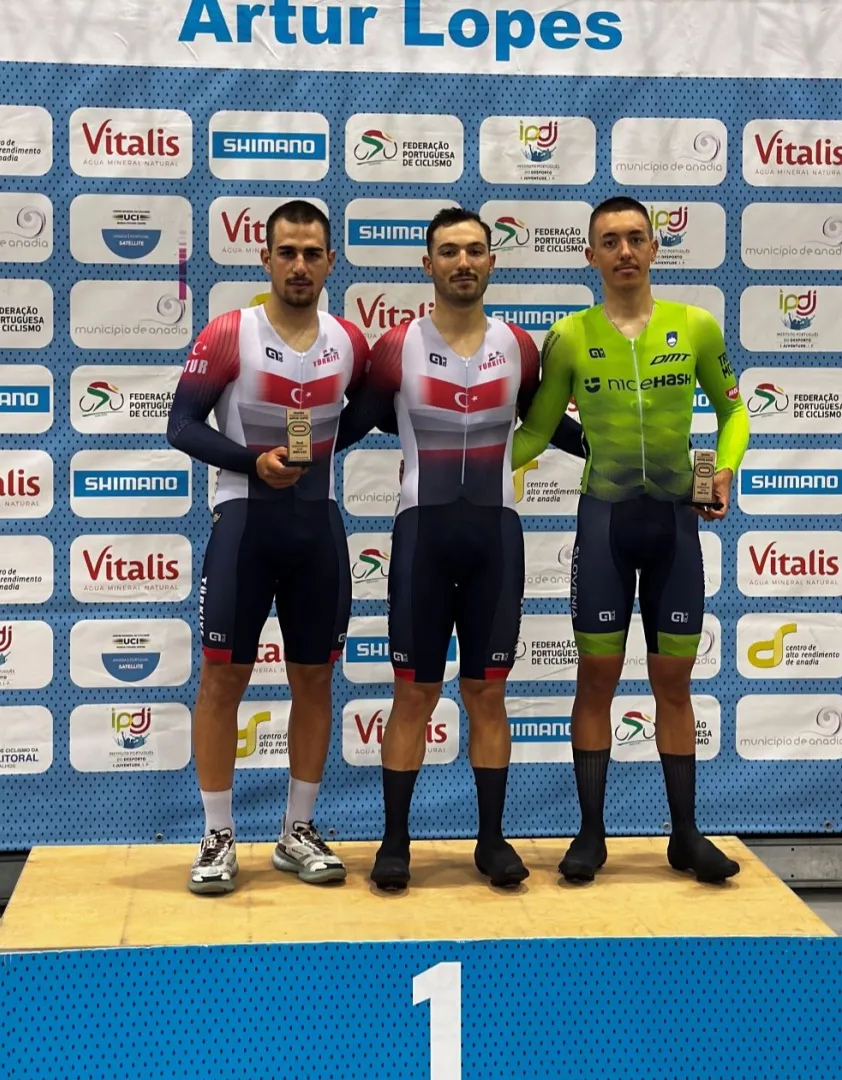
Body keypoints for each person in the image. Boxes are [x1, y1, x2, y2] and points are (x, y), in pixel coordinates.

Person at [335, 207, 585, 891]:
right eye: (449, 251)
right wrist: (276, 452)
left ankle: (492, 841)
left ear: (492, 263)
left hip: (495, 540)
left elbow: (550, 425)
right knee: (413, 692)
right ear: (428, 265)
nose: (463, 262)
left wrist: (635, 460)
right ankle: (394, 842)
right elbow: (352, 423)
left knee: (486, 692)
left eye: (475, 250)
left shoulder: (518, 347)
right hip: (423, 536)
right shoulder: (397, 347)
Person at [510, 195, 749, 885]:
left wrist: (725, 470)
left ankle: (685, 835)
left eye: (635, 238)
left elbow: (734, 414)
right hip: (605, 526)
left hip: (673, 526)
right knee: (596, 679)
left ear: (654, 248)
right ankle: (591, 834)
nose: (624, 251)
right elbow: (536, 430)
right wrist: (467, 467)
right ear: (590, 255)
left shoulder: (695, 326)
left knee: (673, 683)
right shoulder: (568, 336)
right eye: (610, 241)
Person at [168, 199, 368, 894]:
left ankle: (297, 830)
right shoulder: (231, 332)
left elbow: (373, 408)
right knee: (223, 679)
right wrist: (251, 462)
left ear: (330, 262)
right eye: (287, 253)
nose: (299, 266)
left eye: (312, 254)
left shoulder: (348, 340)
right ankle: (218, 834)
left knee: (314, 680)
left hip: (317, 530)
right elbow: (181, 425)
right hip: (244, 526)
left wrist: (327, 446)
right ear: (265, 259)